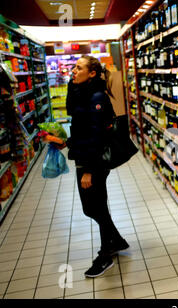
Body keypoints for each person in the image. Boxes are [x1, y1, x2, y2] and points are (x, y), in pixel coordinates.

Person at [63, 55, 129, 278]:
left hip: (94, 161)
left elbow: (97, 135)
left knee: (95, 206)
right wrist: (64, 141)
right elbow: (75, 118)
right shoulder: (83, 93)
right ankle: (116, 240)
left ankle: (105, 256)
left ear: (92, 73)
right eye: (74, 67)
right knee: (93, 206)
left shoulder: (97, 97)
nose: (74, 70)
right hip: (85, 157)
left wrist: (89, 169)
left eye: (79, 68)